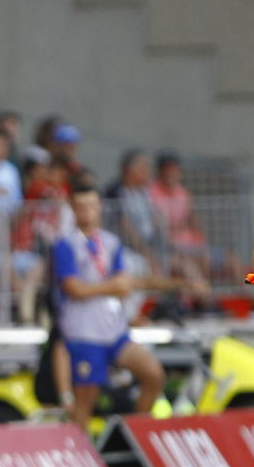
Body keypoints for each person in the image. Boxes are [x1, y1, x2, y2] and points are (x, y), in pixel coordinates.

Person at [54, 180, 179, 428]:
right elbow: (74, 289)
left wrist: (100, 287)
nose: (86, 211)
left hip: (113, 330)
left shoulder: (110, 242)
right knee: (85, 400)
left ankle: (134, 431)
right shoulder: (65, 244)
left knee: (153, 373)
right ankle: (80, 448)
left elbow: (122, 284)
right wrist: (110, 286)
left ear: (99, 207)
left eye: (91, 205)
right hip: (84, 332)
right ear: (73, 209)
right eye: (80, 206)